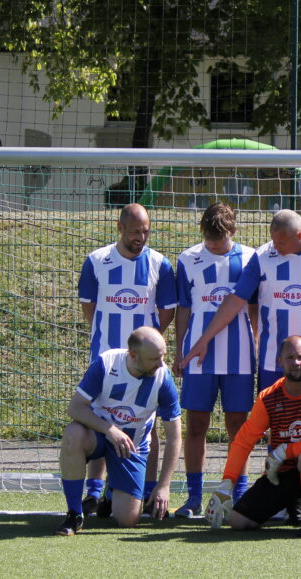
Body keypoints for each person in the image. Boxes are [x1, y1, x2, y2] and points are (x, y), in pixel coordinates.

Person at [183, 208, 301, 522]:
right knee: (279, 434)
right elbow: (236, 300)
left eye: (281, 242)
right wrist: (204, 338)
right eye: (272, 240)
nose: (276, 246)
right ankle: (285, 500)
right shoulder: (262, 256)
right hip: (274, 361)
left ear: (300, 236)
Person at [77, 203, 177, 516]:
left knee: (148, 425)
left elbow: (167, 312)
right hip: (107, 362)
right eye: (136, 231)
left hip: (144, 363)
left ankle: (147, 492)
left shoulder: (160, 264)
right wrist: (109, 348)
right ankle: (94, 492)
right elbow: (89, 308)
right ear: (120, 228)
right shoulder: (97, 261)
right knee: (100, 420)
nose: (141, 237)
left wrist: (146, 346)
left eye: (146, 231)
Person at [205, 336, 301, 537]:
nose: (296, 363)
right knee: (239, 522)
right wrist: (226, 483)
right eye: (290, 357)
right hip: (284, 469)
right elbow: (244, 440)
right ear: (279, 362)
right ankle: (291, 503)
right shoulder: (268, 397)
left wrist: (285, 451)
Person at [172, 203, 257, 517]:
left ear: (233, 232)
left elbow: (255, 308)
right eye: (209, 241)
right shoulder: (188, 258)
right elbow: (184, 307)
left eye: (219, 242)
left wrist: (258, 344)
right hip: (199, 356)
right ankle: (194, 497)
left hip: (240, 356)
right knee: (196, 424)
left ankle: (240, 493)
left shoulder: (250, 258)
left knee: (239, 427)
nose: (213, 246)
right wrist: (181, 350)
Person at [55, 327, 181, 535]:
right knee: (73, 434)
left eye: (163, 357)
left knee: (128, 519)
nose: (160, 364)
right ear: (133, 355)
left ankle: (111, 493)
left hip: (132, 446)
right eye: (154, 359)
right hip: (99, 436)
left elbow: (175, 436)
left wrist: (164, 485)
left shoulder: (163, 378)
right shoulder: (106, 363)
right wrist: (110, 430)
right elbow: (75, 408)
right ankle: (74, 515)